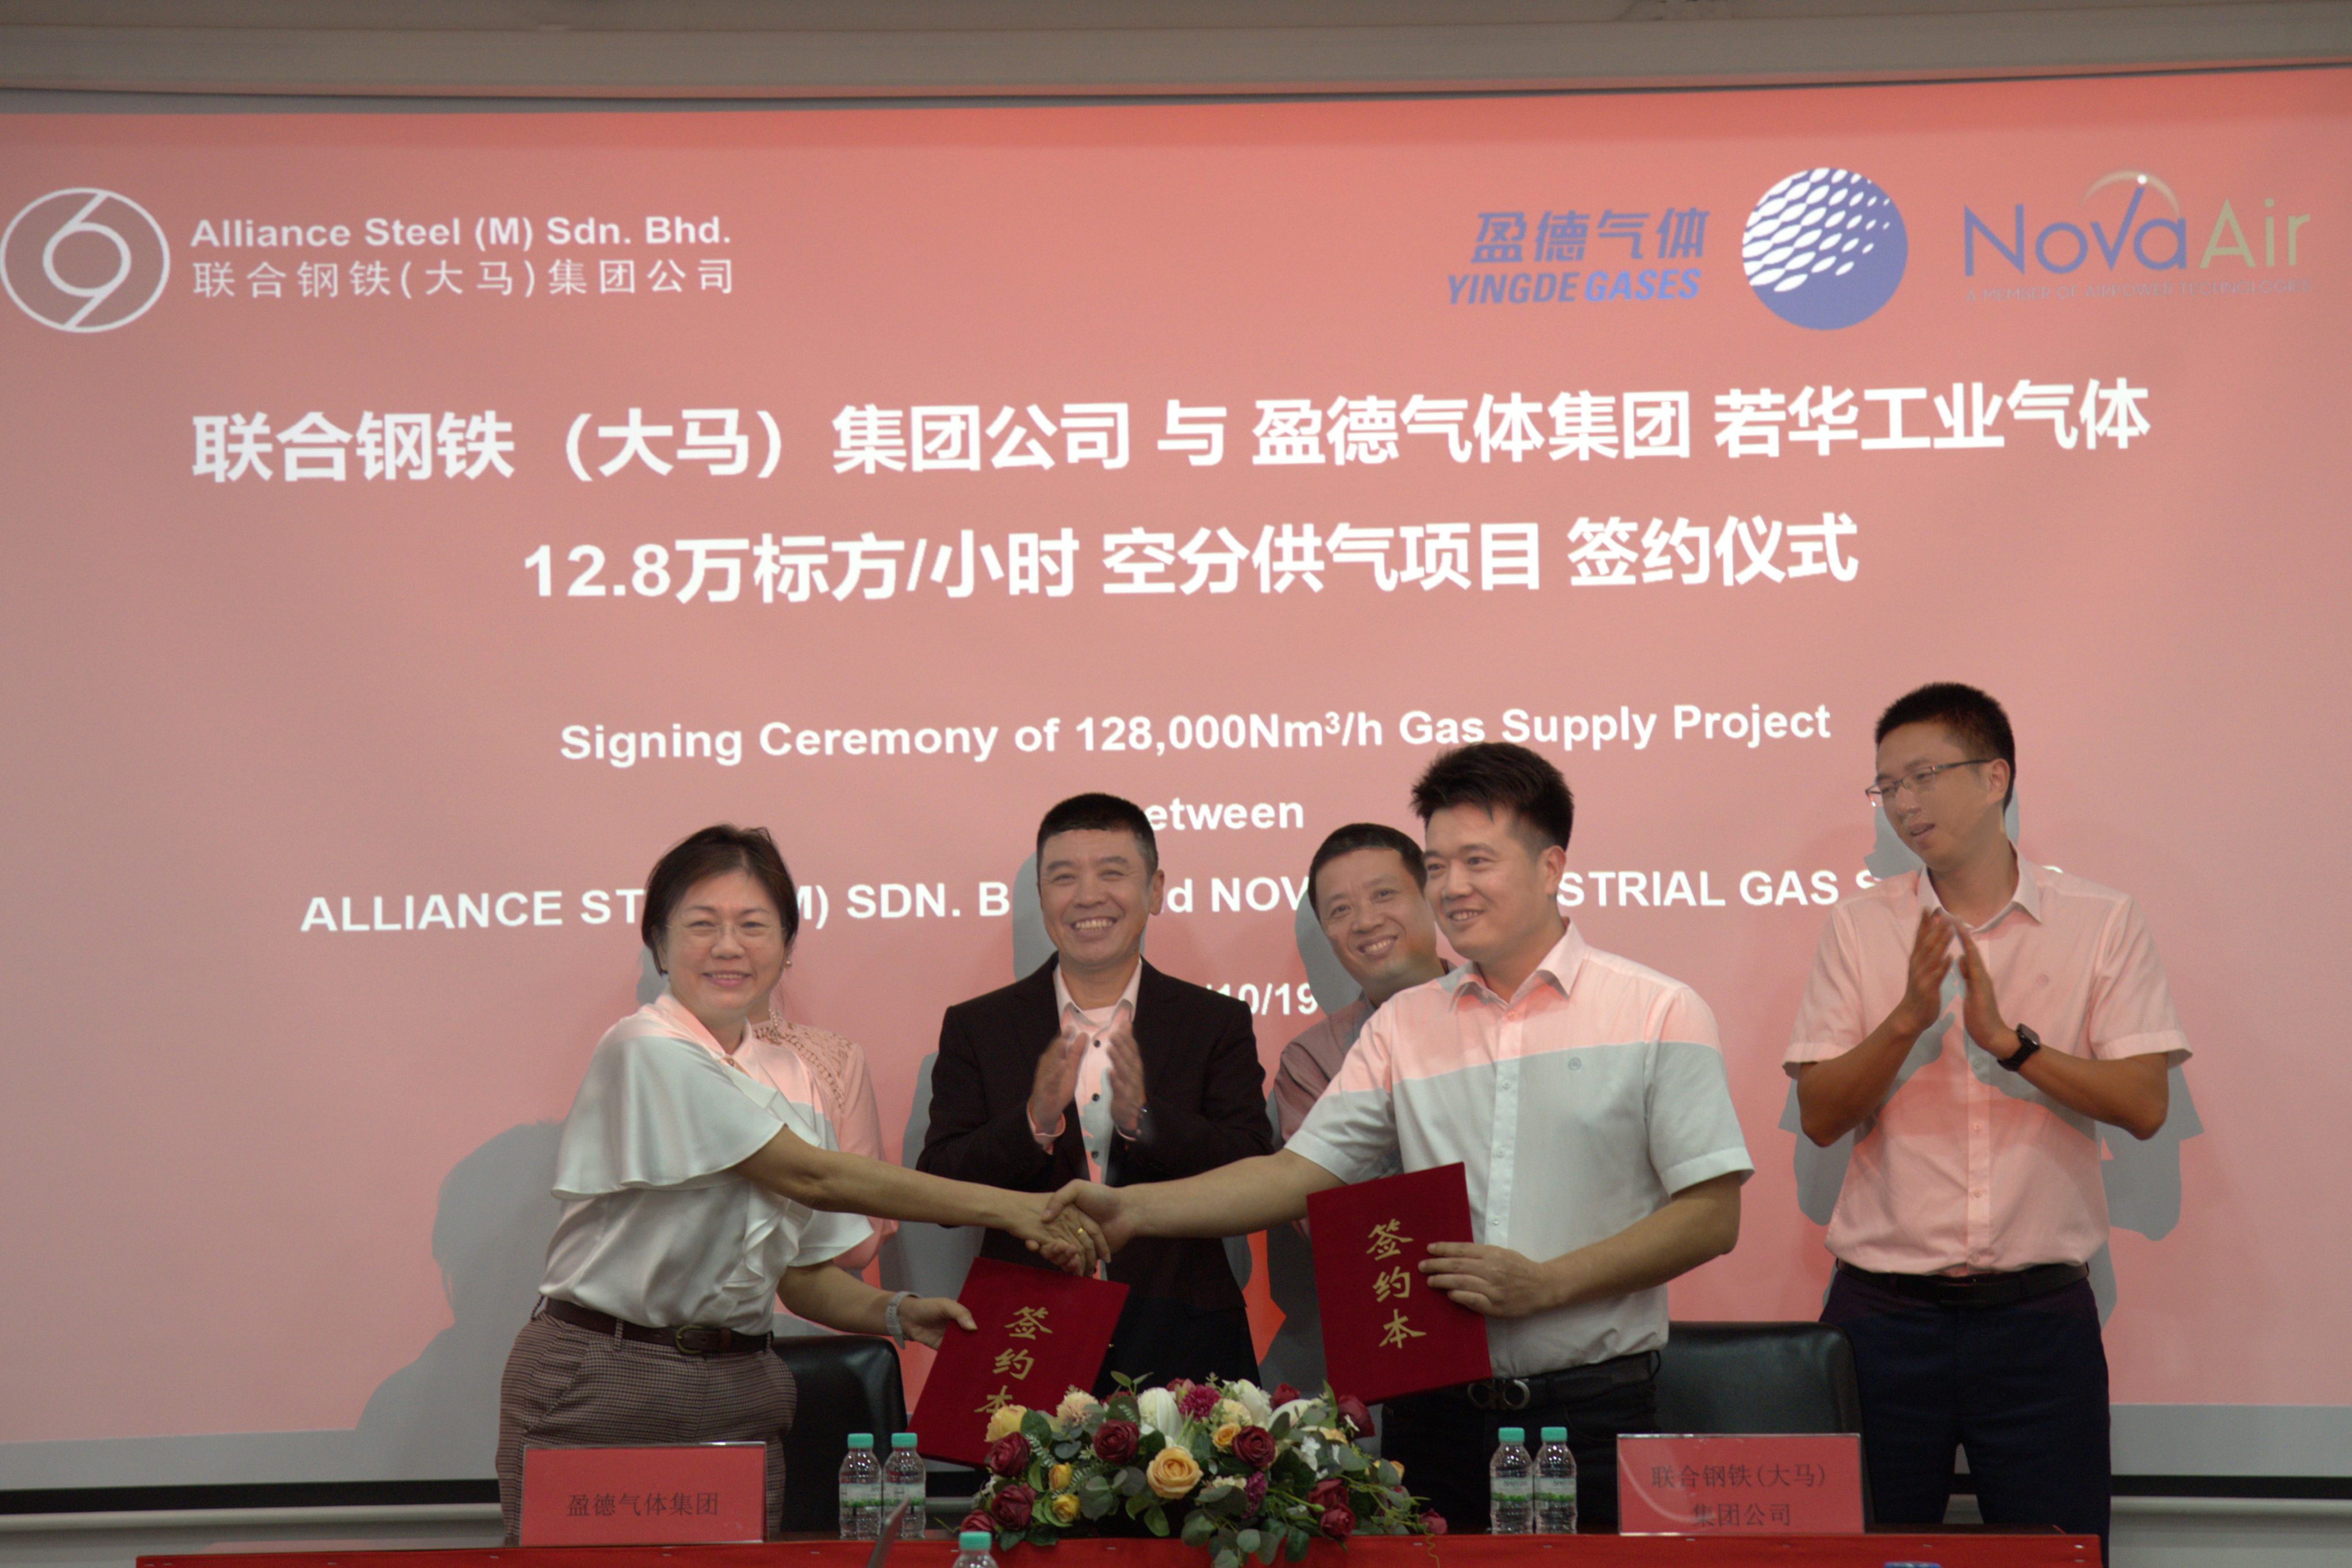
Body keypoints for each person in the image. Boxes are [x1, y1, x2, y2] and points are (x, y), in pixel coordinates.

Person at [1047, 745, 1752, 1532]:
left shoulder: (1657, 1010)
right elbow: (1294, 1174)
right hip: (1431, 1416)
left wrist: (1547, 1284)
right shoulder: (1403, 1026)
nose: (1451, 887)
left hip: (1591, 1413)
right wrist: (1132, 1210)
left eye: (1476, 861)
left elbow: (1710, 1215)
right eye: (1437, 865)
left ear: (1550, 866)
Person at [496, 825, 1103, 1543]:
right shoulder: (644, 1047)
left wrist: (898, 1313)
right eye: (702, 925)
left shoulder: (793, 1075)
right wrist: (1021, 1209)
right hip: (604, 1381)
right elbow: (814, 1175)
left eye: (754, 926)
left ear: (787, 946)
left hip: (739, 1386)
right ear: (658, 943)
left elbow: (802, 1275)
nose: (729, 946)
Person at [1787, 683, 2188, 1558]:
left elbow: (2143, 1105)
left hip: (2037, 1323)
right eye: (1886, 786)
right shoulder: (1857, 928)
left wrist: (2010, 1046)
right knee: (1869, 1553)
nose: (1902, 803)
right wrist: (1905, 1020)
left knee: (2055, 1551)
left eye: (1922, 776)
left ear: (1995, 776)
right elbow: (1818, 1116)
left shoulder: (2099, 921)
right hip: (1880, 1320)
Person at [918, 793, 1272, 1391]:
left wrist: (1146, 1123)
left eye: (1112, 872)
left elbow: (1254, 1170)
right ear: (1040, 896)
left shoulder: (1213, 1021)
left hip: (1183, 1332)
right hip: (1028, 1331)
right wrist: (1032, 1122)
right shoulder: (978, 1026)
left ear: (1154, 889)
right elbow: (940, 1186)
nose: (1087, 896)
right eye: (1064, 877)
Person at [1273, 822, 1449, 1146]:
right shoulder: (1314, 1061)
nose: (1366, 922)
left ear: (1433, 898)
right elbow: (1317, 1173)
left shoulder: (1506, 1002)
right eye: (1341, 910)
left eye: (1383, 895)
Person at [744, 983, 895, 1273]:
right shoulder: (657, 1056)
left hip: (820, 1290)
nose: (730, 957)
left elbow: (861, 1231)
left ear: (785, 955)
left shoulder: (835, 1059)